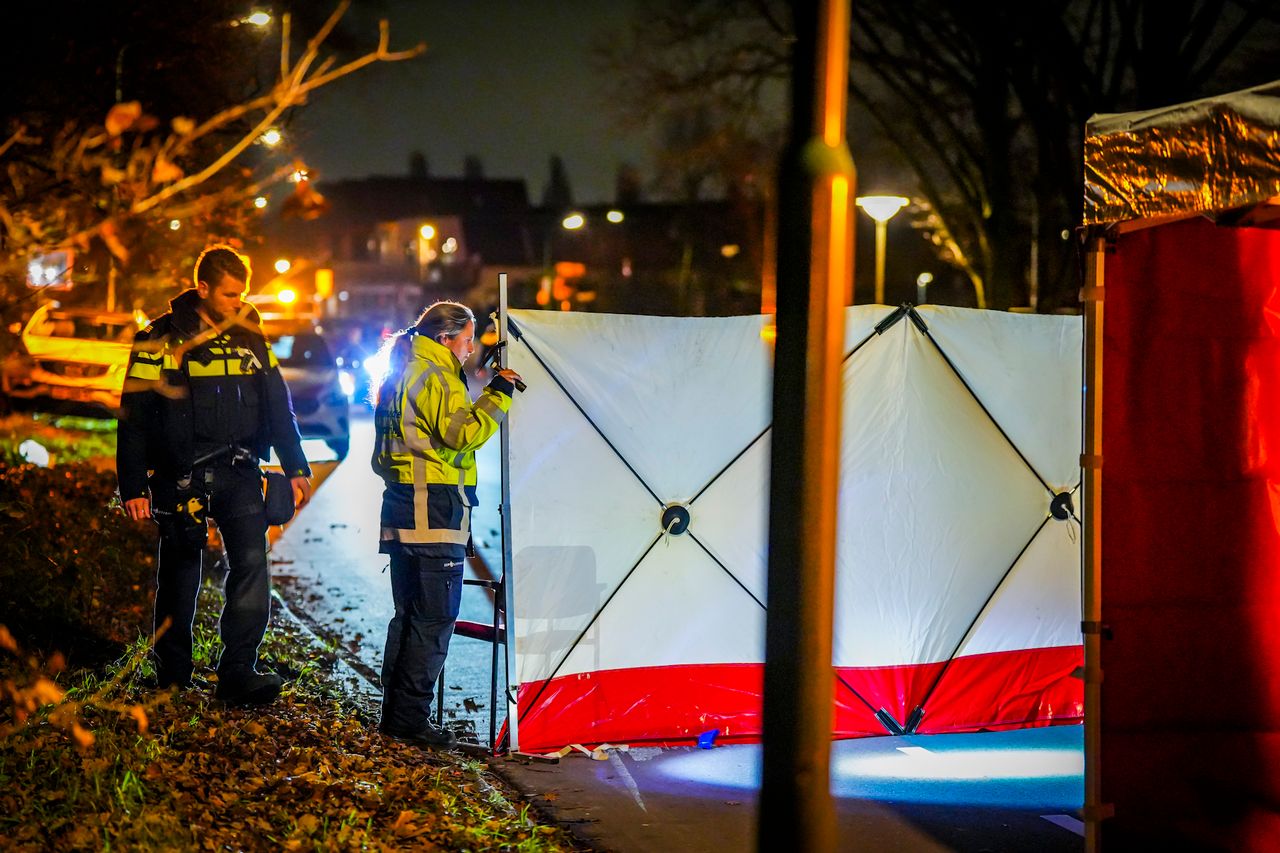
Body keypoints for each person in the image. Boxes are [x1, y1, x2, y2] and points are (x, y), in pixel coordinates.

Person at [117, 244, 313, 706]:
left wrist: (295, 465)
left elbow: (277, 403)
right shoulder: (159, 338)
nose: (237, 302)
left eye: (241, 293)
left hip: (239, 469)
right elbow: (135, 417)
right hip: (180, 476)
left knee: (252, 563)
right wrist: (133, 485)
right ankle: (172, 675)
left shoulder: (250, 336)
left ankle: (238, 671)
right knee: (181, 572)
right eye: (228, 294)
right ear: (202, 288)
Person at [371, 301, 521, 747]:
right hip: (433, 512)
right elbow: (463, 434)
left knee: (409, 617)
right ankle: (409, 721)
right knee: (434, 619)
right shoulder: (436, 374)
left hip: (403, 509)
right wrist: (498, 393)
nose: (471, 348)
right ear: (444, 339)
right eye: (467, 339)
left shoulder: (405, 368)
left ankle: (396, 715)